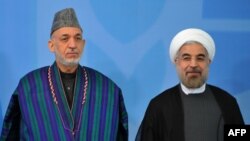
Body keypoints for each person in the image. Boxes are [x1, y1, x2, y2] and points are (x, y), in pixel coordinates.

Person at [0, 8, 128, 141]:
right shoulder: (28, 86)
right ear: (51, 45)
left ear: (83, 44)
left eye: (77, 38)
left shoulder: (108, 89)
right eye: (64, 38)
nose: (72, 44)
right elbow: (11, 134)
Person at [136, 28, 244, 141]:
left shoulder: (227, 102)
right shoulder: (158, 106)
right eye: (186, 58)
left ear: (209, 62)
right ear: (176, 62)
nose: (193, 64)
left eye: (200, 58)